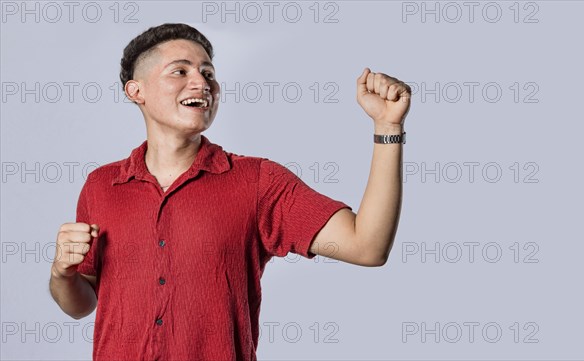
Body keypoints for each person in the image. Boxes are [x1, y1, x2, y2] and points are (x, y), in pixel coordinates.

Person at [49, 23, 411, 360]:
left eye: (208, 73)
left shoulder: (258, 181)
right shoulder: (101, 186)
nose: (202, 83)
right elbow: (82, 303)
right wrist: (62, 274)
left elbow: (368, 246)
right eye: (181, 71)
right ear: (136, 90)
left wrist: (387, 127)